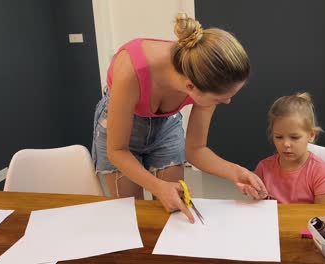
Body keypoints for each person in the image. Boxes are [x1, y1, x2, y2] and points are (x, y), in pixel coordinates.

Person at [92, 13, 267, 223]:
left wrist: (236, 172)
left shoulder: (205, 76)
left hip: (166, 125)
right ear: (190, 87)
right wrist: (158, 186)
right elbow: (117, 150)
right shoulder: (131, 70)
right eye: (222, 98)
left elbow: (196, 150)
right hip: (120, 130)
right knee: (132, 215)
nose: (227, 102)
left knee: (173, 210)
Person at [254, 93, 325, 204]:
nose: (286, 144)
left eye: (294, 137)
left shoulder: (321, 172)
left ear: (311, 135)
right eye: (279, 137)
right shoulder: (263, 168)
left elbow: (322, 216)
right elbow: (257, 210)